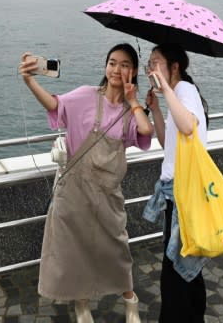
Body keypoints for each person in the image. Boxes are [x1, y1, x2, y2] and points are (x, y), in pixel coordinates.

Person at [19, 43, 153, 323]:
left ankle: (131, 301)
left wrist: (134, 101)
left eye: (125, 64)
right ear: (105, 66)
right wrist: (30, 81)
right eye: (112, 62)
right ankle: (81, 305)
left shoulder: (132, 111)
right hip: (74, 188)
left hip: (107, 192)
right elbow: (55, 105)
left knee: (117, 247)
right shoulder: (85, 95)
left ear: (134, 71)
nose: (117, 69)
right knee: (75, 248)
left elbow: (145, 131)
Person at [142, 43, 209, 322]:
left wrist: (166, 91)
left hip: (184, 194)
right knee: (185, 268)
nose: (150, 68)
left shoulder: (185, 91)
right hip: (177, 194)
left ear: (174, 67)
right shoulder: (177, 95)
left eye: (156, 62)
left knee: (174, 273)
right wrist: (156, 108)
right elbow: (166, 141)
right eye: (149, 63)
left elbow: (188, 126)